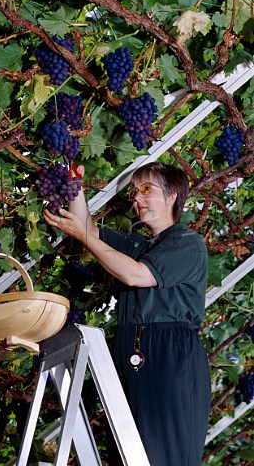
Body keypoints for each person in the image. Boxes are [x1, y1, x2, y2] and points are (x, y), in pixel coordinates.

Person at [43, 161, 211, 466]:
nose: (137, 198)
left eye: (147, 189)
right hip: (129, 348)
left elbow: (136, 276)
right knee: (127, 454)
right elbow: (89, 228)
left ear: (173, 195)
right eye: (134, 192)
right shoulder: (142, 245)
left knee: (164, 455)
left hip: (168, 353)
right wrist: (73, 184)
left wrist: (85, 237)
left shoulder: (188, 243)